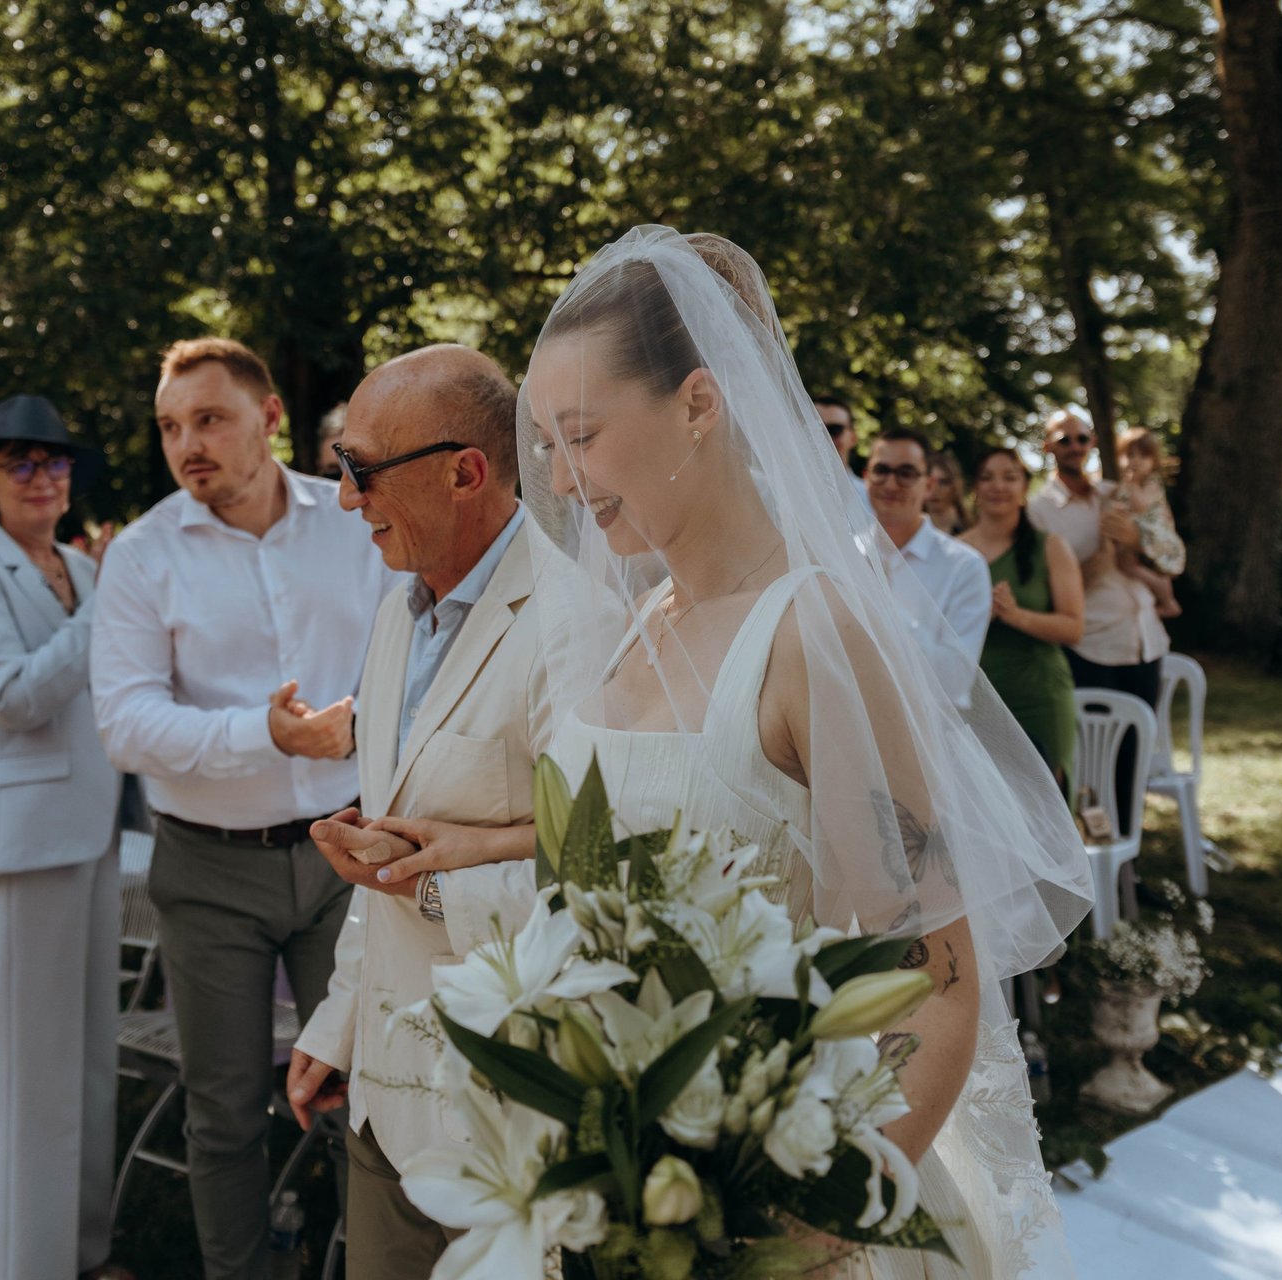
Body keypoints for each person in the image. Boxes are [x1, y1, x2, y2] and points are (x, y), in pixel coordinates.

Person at [388, 228, 1093, 1278]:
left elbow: (937, 984)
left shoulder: (813, 637)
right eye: (546, 444)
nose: (563, 480)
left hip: (771, 1220)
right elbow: (639, 848)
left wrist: (798, 1227)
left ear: (700, 405)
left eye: (580, 434)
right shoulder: (638, 623)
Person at [91, 337, 394, 1280]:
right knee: (222, 1110)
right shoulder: (142, 555)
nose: (189, 444)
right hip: (209, 866)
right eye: (172, 427)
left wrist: (368, 726)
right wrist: (267, 736)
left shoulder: (355, 523)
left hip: (348, 855)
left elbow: (413, 646)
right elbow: (126, 725)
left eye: (210, 419)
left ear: (269, 419)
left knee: (367, 1090)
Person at [285, 345, 547, 1280]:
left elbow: (622, 875)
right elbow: (396, 839)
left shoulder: (579, 622)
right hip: (386, 1111)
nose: (346, 497)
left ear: (464, 471)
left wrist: (430, 881)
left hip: (518, 1115)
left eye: (360, 469)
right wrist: (339, 1022)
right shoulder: (399, 609)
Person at [0, 395, 131, 1280]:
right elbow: (12, 697)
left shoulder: (83, 571)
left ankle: (80, 1252)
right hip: (16, 843)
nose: (44, 478)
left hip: (92, 832)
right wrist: (109, 604)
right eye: (22, 464)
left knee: (89, 1060)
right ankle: (19, 1267)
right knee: (26, 1075)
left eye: (55, 465)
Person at [1028, 411, 1169, 831]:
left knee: (1134, 759)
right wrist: (1102, 556)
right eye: (1064, 439)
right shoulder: (1039, 513)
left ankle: (1128, 865)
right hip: (1092, 646)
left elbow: (1165, 556)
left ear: (1092, 444)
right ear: (1048, 447)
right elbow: (1050, 589)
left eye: (1082, 438)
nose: (1075, 446)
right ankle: (1090, 867)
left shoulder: (1117, 494)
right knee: (1092, 764)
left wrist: (1136, 541)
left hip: (1146, 640)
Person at [960, 447, 1085, 793]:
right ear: (975, 488)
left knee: (1045, 809)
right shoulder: (953, 552)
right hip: (972, 699)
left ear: (1024, 489)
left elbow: (1074, 628)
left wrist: (1015, 616)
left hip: (1038, 697)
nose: (997, 486)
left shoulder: (1051, 548)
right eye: (986, 477)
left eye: (1009, 477)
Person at [865, 427, 991, 706]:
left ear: (929, 486)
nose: (891, 483)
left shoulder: (965, 565)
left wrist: (883, 604)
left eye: (906, 473)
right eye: (881, 470)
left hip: (933, 729)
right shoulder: (844, 552)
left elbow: (955, 678)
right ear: (866, 477)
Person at [1108, 428, 1184, 620]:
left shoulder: (1151, 483)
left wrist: (1132, 485)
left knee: (1154, 571)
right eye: (1130, 455)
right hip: (1138, 535)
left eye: (1143, 456)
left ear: (1153, 462)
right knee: (1126, 564)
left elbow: (1141, 506)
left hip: (1155, 536)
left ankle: (1168, 602)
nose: (1136, 461)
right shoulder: (1124, 485)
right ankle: (1157, 601)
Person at [927, 453, 970, 535]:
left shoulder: (969, 530)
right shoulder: (907, 530)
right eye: (929, 482)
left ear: (955, 487)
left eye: (943, 482)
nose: (935, 489)